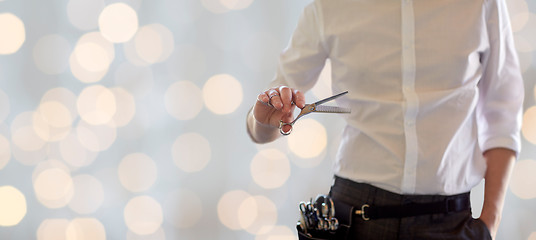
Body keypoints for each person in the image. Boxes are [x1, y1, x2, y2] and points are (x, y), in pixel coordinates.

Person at [246, 0, 524, 239]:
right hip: (354, 218)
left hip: (451, 222)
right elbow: (268, 123)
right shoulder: (329, 6)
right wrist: (262, 120)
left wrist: (489, 225)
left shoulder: (481, 4)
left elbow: (503, 115)